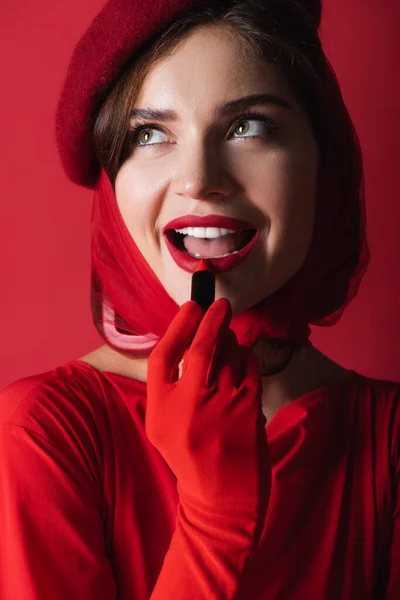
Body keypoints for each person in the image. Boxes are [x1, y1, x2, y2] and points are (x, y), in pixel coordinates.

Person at [0, 0, 399, 598]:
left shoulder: (388, 442)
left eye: (250, 126)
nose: (198, 178)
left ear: (326, 167)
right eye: (150, 134)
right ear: (114, 184)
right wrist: (216, 519)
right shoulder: (43, 435)